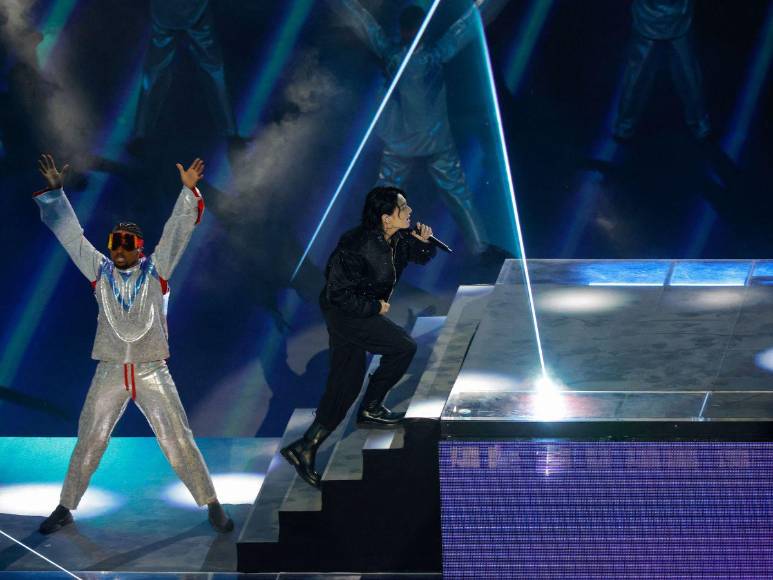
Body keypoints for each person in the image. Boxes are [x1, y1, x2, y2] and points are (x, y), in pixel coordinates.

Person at [33, 154, 233, 534]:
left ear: (139, 248)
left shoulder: (157, 271)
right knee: (89, 439)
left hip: (151, 369)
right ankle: (65, 506)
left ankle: (211, 503)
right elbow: (73, 238)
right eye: (114, 243)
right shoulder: (100, 272)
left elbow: (176, 233)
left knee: (178, 438)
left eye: (127, 244)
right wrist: (57, 195)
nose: (119, 250)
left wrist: (188, 192)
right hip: (110, 369)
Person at [282, 186, 436, 487]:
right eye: (403, 208)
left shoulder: (396, 237)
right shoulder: (356, 246)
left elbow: (416, 257)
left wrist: (424, 243)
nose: (409, 212)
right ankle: (371, 408)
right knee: (403, 347)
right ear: (386, 217)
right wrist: (374, 307)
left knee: (346, 384)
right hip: (347, 314)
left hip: (358, 312)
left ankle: (305, 447)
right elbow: (337, 294)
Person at [333, 0, 488, 253]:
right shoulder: (433, 55)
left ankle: (368, 247)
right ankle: (480, 248)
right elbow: (464, 27)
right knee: (458, 195)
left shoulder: (396, 57)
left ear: (405, 31)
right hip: (432, 142)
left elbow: (365, 24)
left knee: (385, 194)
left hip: (403, 144)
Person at [133, 0, 237, 141]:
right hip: (193, 11)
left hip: (165, 12)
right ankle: (231, 132)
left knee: (152, 73)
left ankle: (140, 133)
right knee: (215, 70)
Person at [613, 0, 710, 141]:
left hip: (651, 15)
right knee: (687, 71)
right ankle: (700, 122)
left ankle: (624, 124)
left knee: (638, 74)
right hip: (677, 14)